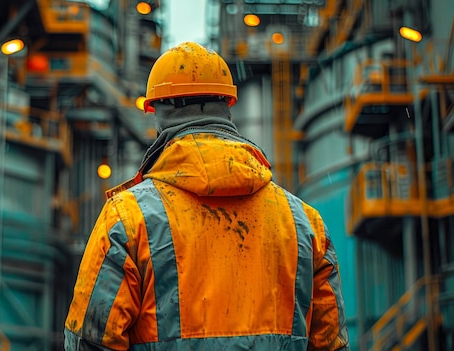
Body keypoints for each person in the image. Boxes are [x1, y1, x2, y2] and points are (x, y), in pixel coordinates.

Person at [64, 41, 349, 351]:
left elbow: (89, 341)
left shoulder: (128, 218)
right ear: (227, 106)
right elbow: (331, 343)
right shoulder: (304, 224)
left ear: (158, 111)